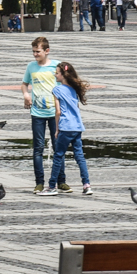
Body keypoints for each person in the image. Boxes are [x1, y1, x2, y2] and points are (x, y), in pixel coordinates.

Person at [47, 61, 92, 196]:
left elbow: (58, 112)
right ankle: (87, 185)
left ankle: (51, 187)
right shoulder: (74, 89)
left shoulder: (57, 90)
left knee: (58, 156)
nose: (55, 75)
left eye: (57, 73)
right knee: (79, 156)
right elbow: (76, 108)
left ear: (63, 75)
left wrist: (57, 129)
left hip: (65, 127)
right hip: (77, 127)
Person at [22, 36, 58, 195]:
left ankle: (60, 181)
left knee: (58, 148)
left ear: (47, 51)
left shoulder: (57, 66)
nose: (35, 55)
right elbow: (24, 84)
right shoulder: (31, 67)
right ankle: (39, 183)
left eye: (38, 52)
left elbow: (67, 84)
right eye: (33, 52)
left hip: (55, 113)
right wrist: (26, 95)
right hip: (37, 112)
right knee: (38, 148)